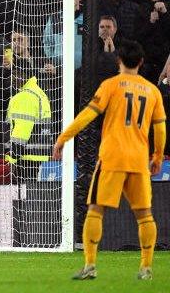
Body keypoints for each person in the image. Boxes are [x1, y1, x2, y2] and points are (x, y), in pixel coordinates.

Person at [52, 40, 166, 281]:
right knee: (145, 215)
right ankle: (146, 268)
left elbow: (87, 115)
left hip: (112, 157)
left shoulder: (111, 85)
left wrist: (64, 137)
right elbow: (161, 128)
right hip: (138, 159)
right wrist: (157, 155)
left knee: (95, 210)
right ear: (141, 63)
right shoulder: (152, 91)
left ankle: (90, 265)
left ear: (118, 61)